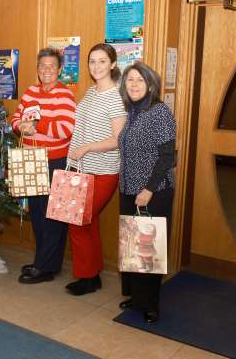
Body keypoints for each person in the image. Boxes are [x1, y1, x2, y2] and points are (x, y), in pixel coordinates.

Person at [65, 44, 126, 296]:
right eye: (92, 61)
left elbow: (118, 139)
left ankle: (88, 277)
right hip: (81, 168)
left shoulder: (116, 96)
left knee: (78, 222)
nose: (96, 66)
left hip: (103, 170)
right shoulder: (91, 92)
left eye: (102, 61)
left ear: (112, 64)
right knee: (88, 222)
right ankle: (94, 270)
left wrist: (87, 148)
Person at [117, 61, 176, 323]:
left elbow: (167, 157)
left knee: (148, 250)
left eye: (140, 80)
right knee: (132, 248)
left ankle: (151, 304)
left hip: (153, 192)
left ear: (150, 84)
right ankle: (137, 298)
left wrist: (149, 190)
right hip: (129, 188)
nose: (134, 85)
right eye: (130, 80)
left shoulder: (159, 112)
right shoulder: (131, 112)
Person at [11, 47, 76, 284]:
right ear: (38, 69)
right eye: (42, 66)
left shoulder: (65, 95)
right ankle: (44, 260)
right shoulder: (29, 92)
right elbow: (16, 119)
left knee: (52, 216)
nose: (46, 70)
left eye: (51, 66)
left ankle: (45, 267)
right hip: (30, 159)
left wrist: (37, 124)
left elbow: (66, 129)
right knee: (37, 214)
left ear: (59, 69)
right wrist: (21, 126)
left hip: (54, 161)